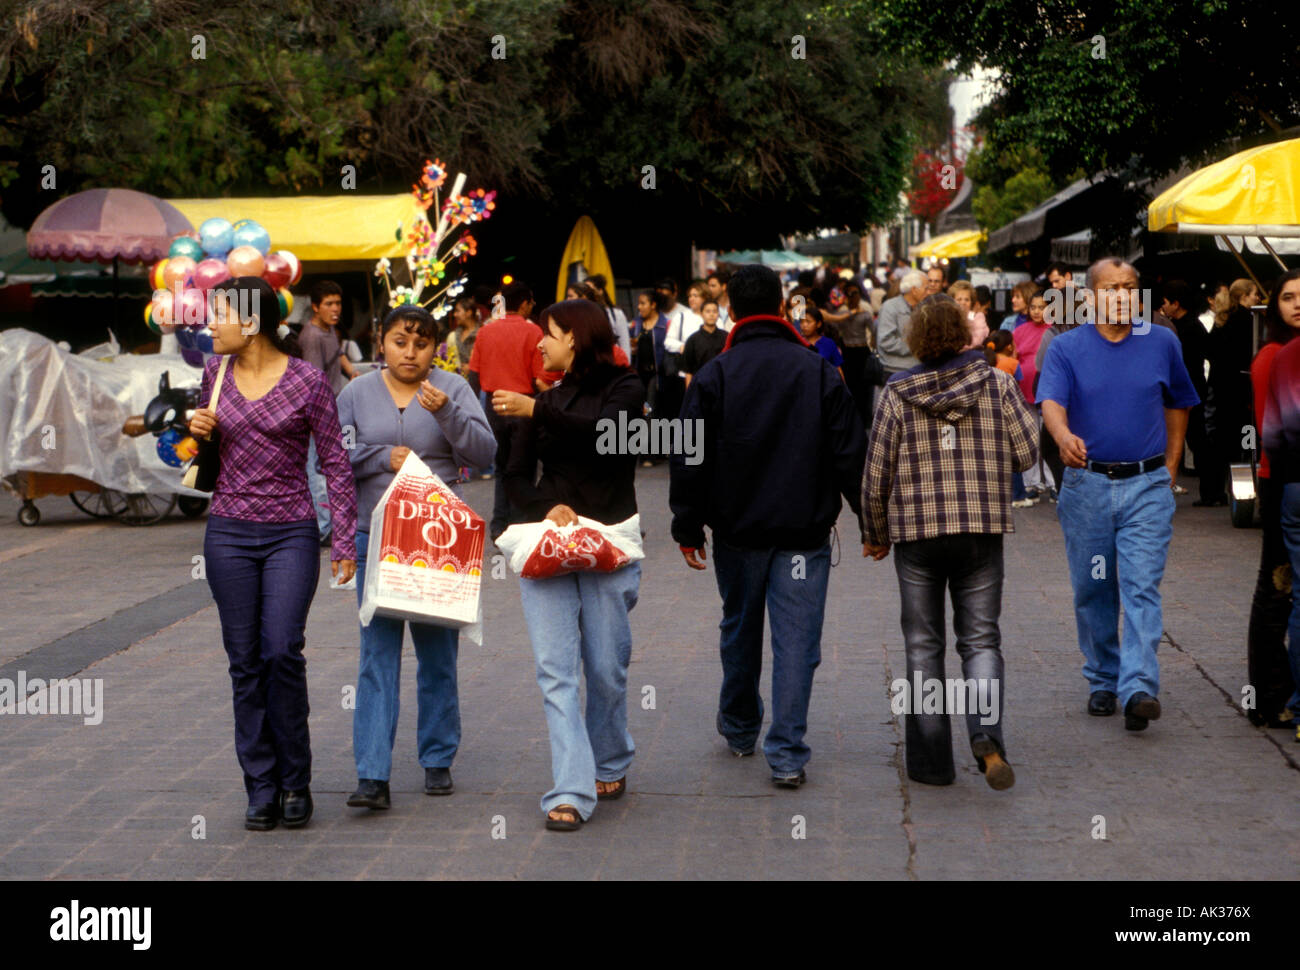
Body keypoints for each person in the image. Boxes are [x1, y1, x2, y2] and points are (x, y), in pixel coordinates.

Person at [670, 264, 867, 788]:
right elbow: (850, 453)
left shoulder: (715, 374)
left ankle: (739, 728)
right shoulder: (817, 370)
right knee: (797, 642)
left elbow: (688, 457)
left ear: (731, 310)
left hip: (737, 533)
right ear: (782, 307)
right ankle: (787, 754)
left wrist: (687, 527)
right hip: (805, 533)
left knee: (740, 628)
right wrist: (872, 521)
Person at [188, 276, 357, 831]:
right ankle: (260, 786)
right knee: (245, 662)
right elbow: (194, 456)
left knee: (282, 650)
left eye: (220, 315)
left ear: (253, 322)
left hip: (290, 532)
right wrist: (196, 431)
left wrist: (346, 537)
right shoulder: (214, 375)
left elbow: (334, 461)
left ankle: (295, 781)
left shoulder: (307, 381)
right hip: (229, 533)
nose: (210, 325)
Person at [863, 295, 1038, 788]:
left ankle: (931, 762)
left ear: (916, 339)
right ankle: (986, 736)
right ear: (966, 336)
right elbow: (1027, 454)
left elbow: (876, 473)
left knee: (923, 645)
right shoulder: (998, 383)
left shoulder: (896, 392)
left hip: (917, 533)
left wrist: (875, 532)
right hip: (980, 529)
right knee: (981, 639)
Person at [493, 299, 645, 831]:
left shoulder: (626, 389)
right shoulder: (540, 401)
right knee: (556, 672)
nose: (539, 344)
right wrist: (543, 508)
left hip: (609, 543)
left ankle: (611, 758)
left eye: (549, 334)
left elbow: (607, 437)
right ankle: (571, 790)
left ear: (576, 338)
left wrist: (537, 410)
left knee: (605, 667)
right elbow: (512, 475)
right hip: (547, 544)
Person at [336, 305, 496, 810]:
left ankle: (437, 757)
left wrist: (447, 413)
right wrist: (383, 457)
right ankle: (372, 775)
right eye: (401, 342)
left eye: (421, 344)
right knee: (376, 657)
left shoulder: (453, 388)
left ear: (436, 347)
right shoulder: (356, 392)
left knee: (437, 656)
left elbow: (485, 453)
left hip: (436, 540)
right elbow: (333, 455)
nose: (411, 353)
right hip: (374, 536)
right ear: (382, 343)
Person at [1038, 258, 1199, 730]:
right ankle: (1103, 678)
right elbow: (1051, 402)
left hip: (1147, 485)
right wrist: (1063, 436)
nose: (1122, 296)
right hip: (1088, 485)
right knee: (1094, 588)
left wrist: (1170, 465)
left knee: (1141, 585)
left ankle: (1138, 687)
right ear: (1089, 297)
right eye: (1111, 289)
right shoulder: (1067, 347)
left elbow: (1179, 402)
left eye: (1130, 288)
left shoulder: (1162, 341)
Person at [466, 282, 558, 542]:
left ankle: (498, 524)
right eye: (532, 302)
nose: (533, 306)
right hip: (523, 407)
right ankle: (520, 525)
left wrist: (473, 412)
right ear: (524, 303)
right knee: (524, 468)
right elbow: (540, 377)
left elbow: (474, 375)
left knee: (502, 468)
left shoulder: (485, 332)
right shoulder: (534, 333)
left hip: (493, 407)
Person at [1251, 269, 1300, 732]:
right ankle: (1269, 694)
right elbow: (1275, 432)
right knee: (1277, 590)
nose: (1297, 304)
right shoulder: (1273, 355)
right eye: (1288, 297)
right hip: (1281, 479)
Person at [298, 280, 351, 546]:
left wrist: (353, 372)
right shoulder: (311, 336)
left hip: (334, 410)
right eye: (329, 304)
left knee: (333, 467)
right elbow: (312, 380)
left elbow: (338, 355)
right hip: (319, 414)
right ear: (316, 307)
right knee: (317, 470)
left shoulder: (329, 330)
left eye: (338, 303)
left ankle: (331, 523)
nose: (335, 308)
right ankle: (322, 527)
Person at [1201, 278, 1262, 506]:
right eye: (1254, 294)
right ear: (1243, 296)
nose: (1258, 298)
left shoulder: (1222, 321)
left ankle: (1215, 490)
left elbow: (1209, 350)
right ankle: (1244, 486)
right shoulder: (1250, 322)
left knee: (1219, 441)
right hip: (1243, 393)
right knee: (1246, 438)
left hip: (1221, 391)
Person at [1161, 280, 1210, 497]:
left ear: (1176, 303)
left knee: (1198, 440)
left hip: (1191, 390)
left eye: (1165, 302)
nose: (1163, 307)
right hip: (1190, 388)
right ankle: (1210, 491)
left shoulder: (1188, 328)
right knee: (1193, 439)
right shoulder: (1182, 325)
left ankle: (1211, 491)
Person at [1013, 290, 1057, 502]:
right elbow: (1014, 356)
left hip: (1047, 391)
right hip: (1023, 391)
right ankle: (1031, 483)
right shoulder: (1020, 330)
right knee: (1029, 439)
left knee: (1048, 438)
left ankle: (1053, 482)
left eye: (1042, 307)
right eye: (1033, 307)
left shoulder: (1054, 330)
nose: (1037, 311)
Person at [876, 270, 927, 378]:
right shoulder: (890, 307)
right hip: (896, 371)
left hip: (919, 369)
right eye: (925, 288)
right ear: (914, 290)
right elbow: (886, 342)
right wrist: (917, 345)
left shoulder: (923, 308)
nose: (928, 292)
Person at [680, 298, 726, 389]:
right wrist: (689, 393)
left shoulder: (726, 337)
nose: (711, 314)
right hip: (700, 385)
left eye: (715, 311)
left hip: (721, 384)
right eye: (708, 311)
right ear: (701, 314)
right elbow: (688, 371)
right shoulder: (693, 339)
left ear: (718, 314)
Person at [586, 273, 632, 356]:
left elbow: (625, 346)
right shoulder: (584, 314)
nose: (588, 295)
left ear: (600, 291)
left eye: (591, 291)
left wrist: (625, 367)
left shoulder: (616, 314)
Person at [800, 305, 845, 381]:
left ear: (818, 324)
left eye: (808, 322)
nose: (804, 325)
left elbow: (838, 369)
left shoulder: (829, 343)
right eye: (802, 322)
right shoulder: (797, 342)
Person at [949, 280, 987, 350]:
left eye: (967, 300)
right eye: (959, 299)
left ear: (971, 302)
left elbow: (977, 341)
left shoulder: (978, 317)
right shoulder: (948, 318)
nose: (963, 303)